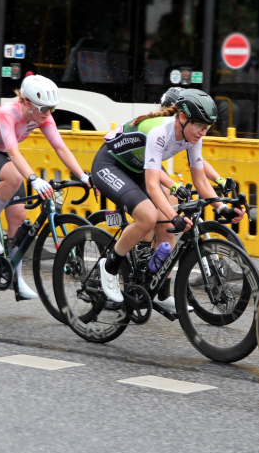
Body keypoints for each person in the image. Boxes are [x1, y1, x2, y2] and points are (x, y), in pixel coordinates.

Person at [91, 89, 244, 313]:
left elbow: (200, 179)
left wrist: (222, 208)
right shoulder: (159, 132)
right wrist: (174, 216)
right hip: (110, 165)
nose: (203, 132)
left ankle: (162, 293)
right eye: (200, 125)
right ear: (182, 117)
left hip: (136, 168)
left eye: (207, 127)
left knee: (167, 227)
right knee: (149, 217)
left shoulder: (193, 135)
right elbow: (153, 185)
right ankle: (110, 266)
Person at [0, 74, 91, 300]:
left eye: (52, 109)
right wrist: (33, 178)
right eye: (43, 109)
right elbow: (13, 153)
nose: (48, 114)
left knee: (18, 216)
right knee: (15, 175)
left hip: (2, 160)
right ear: (27, 103)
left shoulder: (42, 116)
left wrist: (82, 175)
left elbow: (60, 148)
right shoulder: (7, 113)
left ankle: (16, 278)